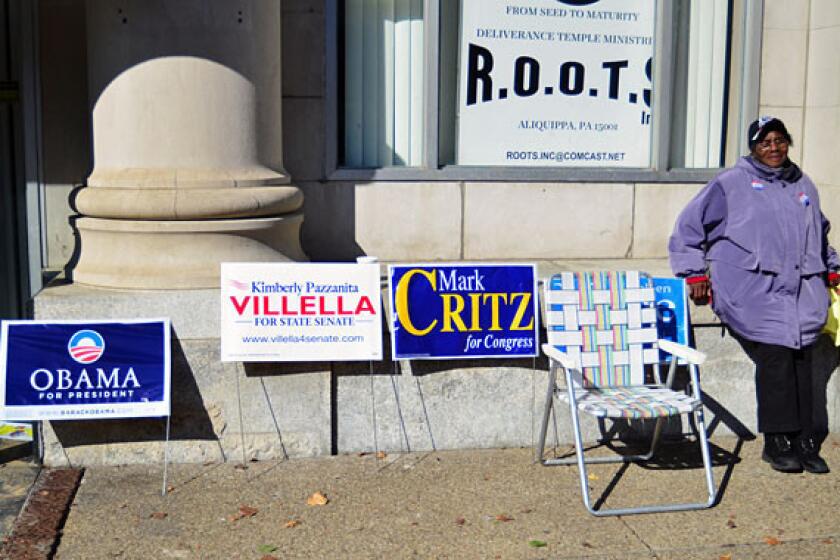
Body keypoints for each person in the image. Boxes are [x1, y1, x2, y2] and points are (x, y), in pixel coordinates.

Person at [669, 116, 840, 474]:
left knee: (804, 360)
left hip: (801, 292)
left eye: (779, 140)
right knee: (776, 357)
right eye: (765, 142)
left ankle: (806, 440)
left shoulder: (803, 183)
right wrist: (694, 272)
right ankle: (778, 442)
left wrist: (833, 266)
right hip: (754, 289)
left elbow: (818, 233)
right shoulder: (731, 183)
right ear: (753, 148)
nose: (773, 148)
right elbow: (689, 228)